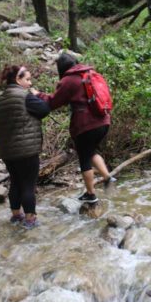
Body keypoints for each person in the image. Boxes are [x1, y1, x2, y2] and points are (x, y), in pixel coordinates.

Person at [36, 53, 113, 204]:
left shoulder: (68, 80)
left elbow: (53, 103)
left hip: (86, 125)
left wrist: (38, 94)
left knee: (84, 158)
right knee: (91, 152)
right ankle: (107, 177)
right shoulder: (91, 73)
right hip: (103, 121)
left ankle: (91, 195)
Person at [0, 64, 50, 229]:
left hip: (8, 151)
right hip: (27, 150)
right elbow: (45, 109)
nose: (30, 83)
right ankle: (30, 219)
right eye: (27, 79)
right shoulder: (25, 96)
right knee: (28, 185)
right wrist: (37, 96)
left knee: (16, 182)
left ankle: (16, 216)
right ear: (18, 79)